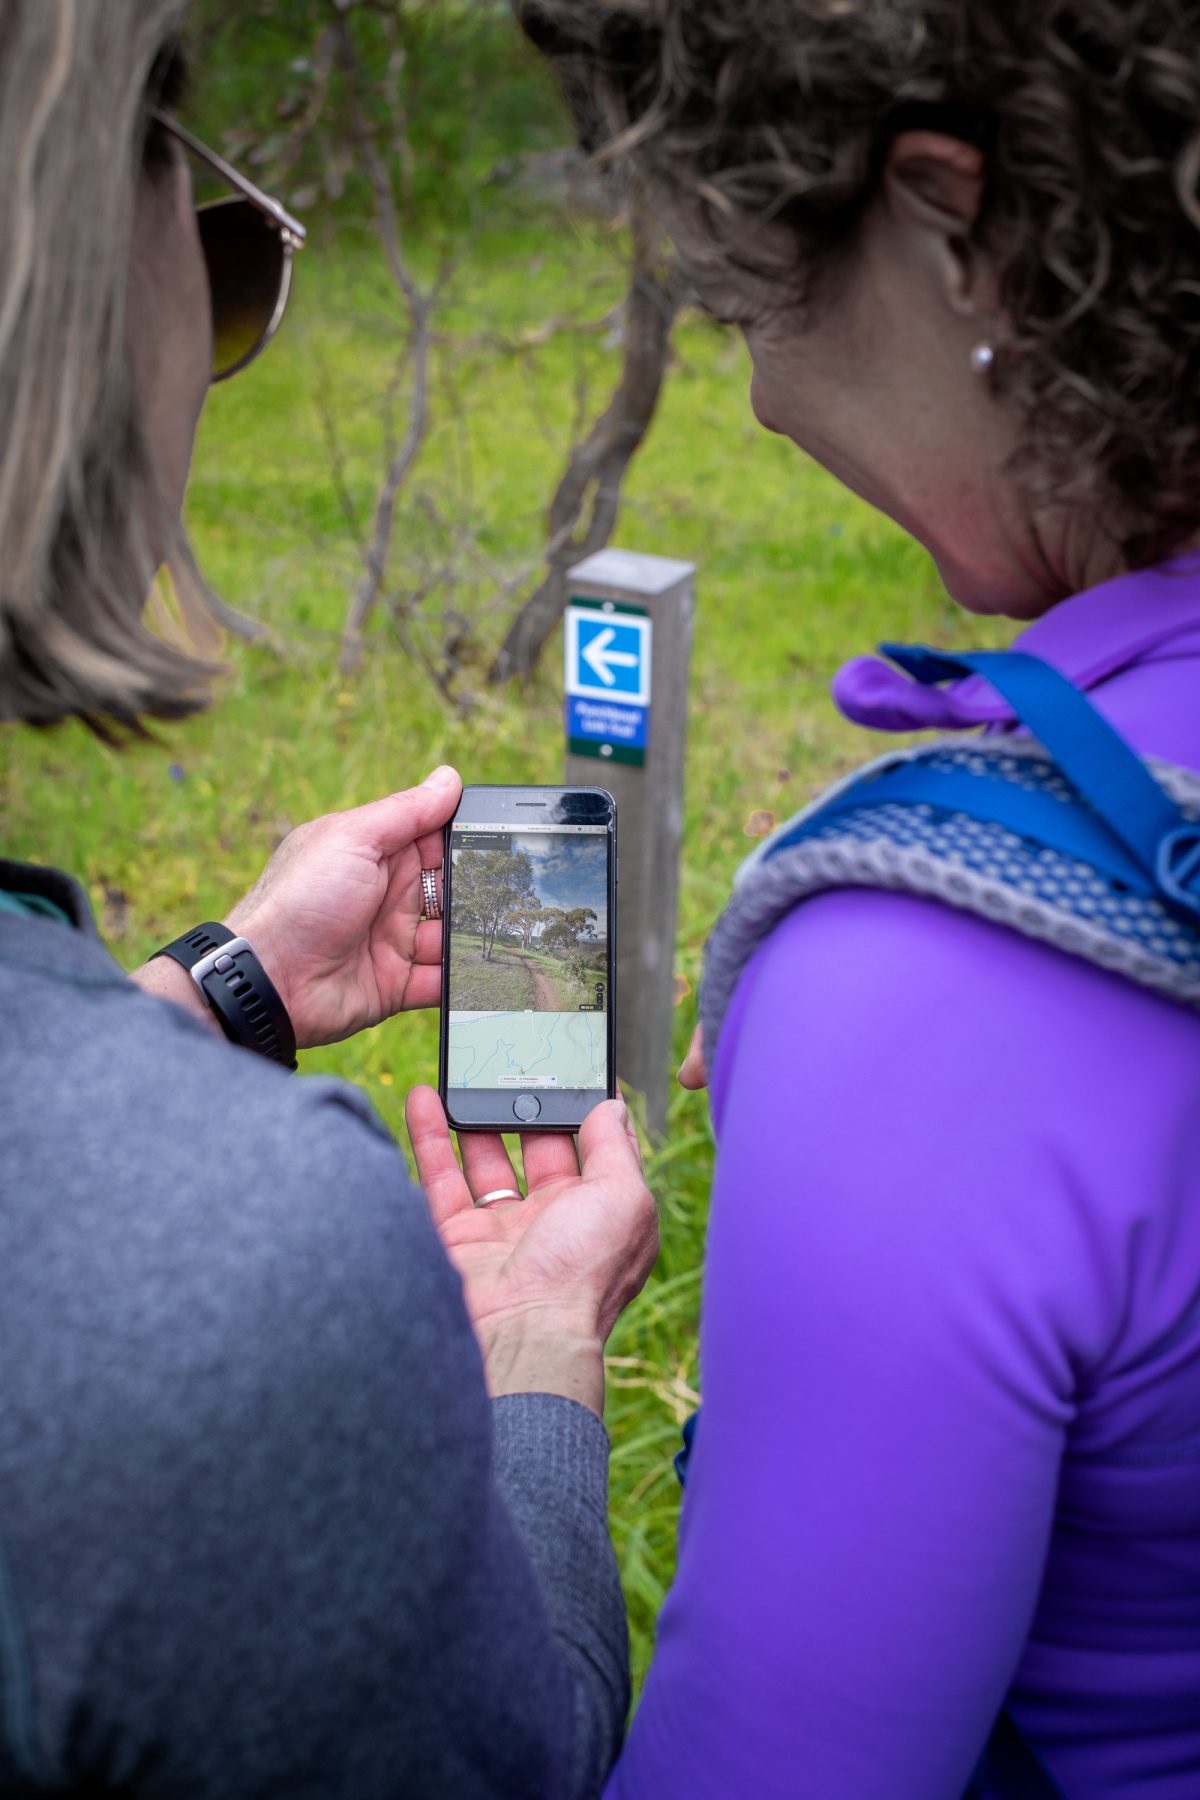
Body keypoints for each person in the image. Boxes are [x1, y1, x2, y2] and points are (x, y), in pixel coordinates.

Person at [503, 2, 1200, 1796]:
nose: (756, 382)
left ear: (955, 226)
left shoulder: (937, 979)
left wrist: (530, 1389)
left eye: (749, 290)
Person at [0, 5, 658, 1794]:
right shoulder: (248, 1269)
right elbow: (513, 1756)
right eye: (191, 196)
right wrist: (532, 1363)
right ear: (67, 271)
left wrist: (215, 989)